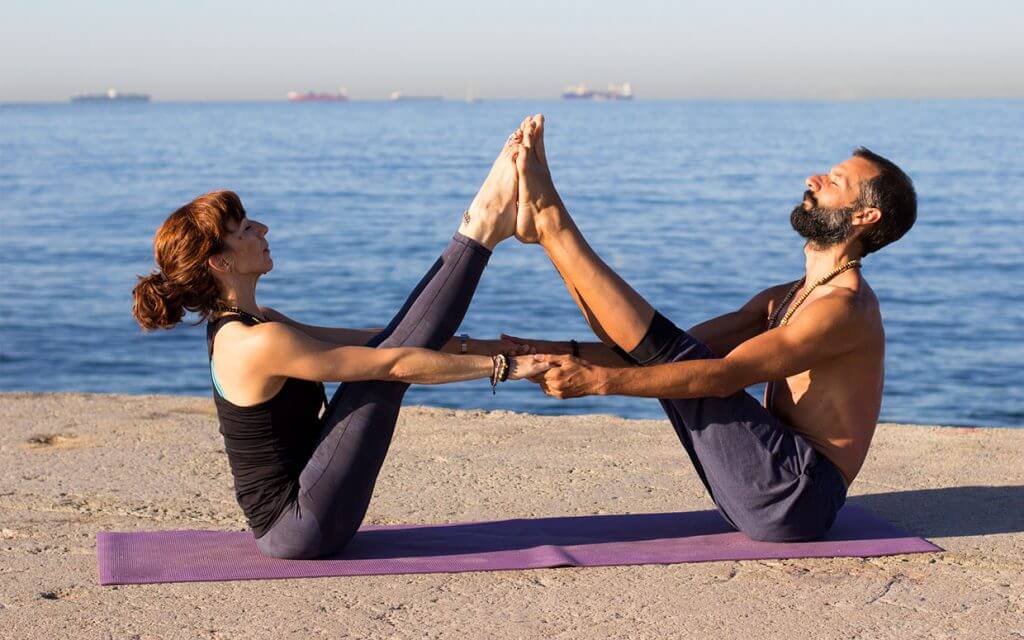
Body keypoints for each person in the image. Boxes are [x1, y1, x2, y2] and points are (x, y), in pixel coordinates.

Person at [131, 128, 551, 559]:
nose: (263, 228)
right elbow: (390, 366)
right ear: (221, 262)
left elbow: (378, 340)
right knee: (380, 374)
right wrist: (502, 367)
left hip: (303, 509)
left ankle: (483, 225)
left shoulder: (258, 323)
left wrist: (473, 346)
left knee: (385, 351)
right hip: (299, 524)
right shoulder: (255, 342)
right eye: (245, 229)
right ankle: (480, 226)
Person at [506, 114, 917, 542]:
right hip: (772, 489)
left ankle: (550, 222)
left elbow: (723, 377)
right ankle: (548, 230)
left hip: (799, 497)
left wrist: (600, 383)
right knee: (670, 354)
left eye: (834, 181)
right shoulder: (791, 295)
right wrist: (552, 352)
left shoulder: (844, 309)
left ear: (865, 215)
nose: (813, 179)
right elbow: (664, 348)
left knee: (685, 365)